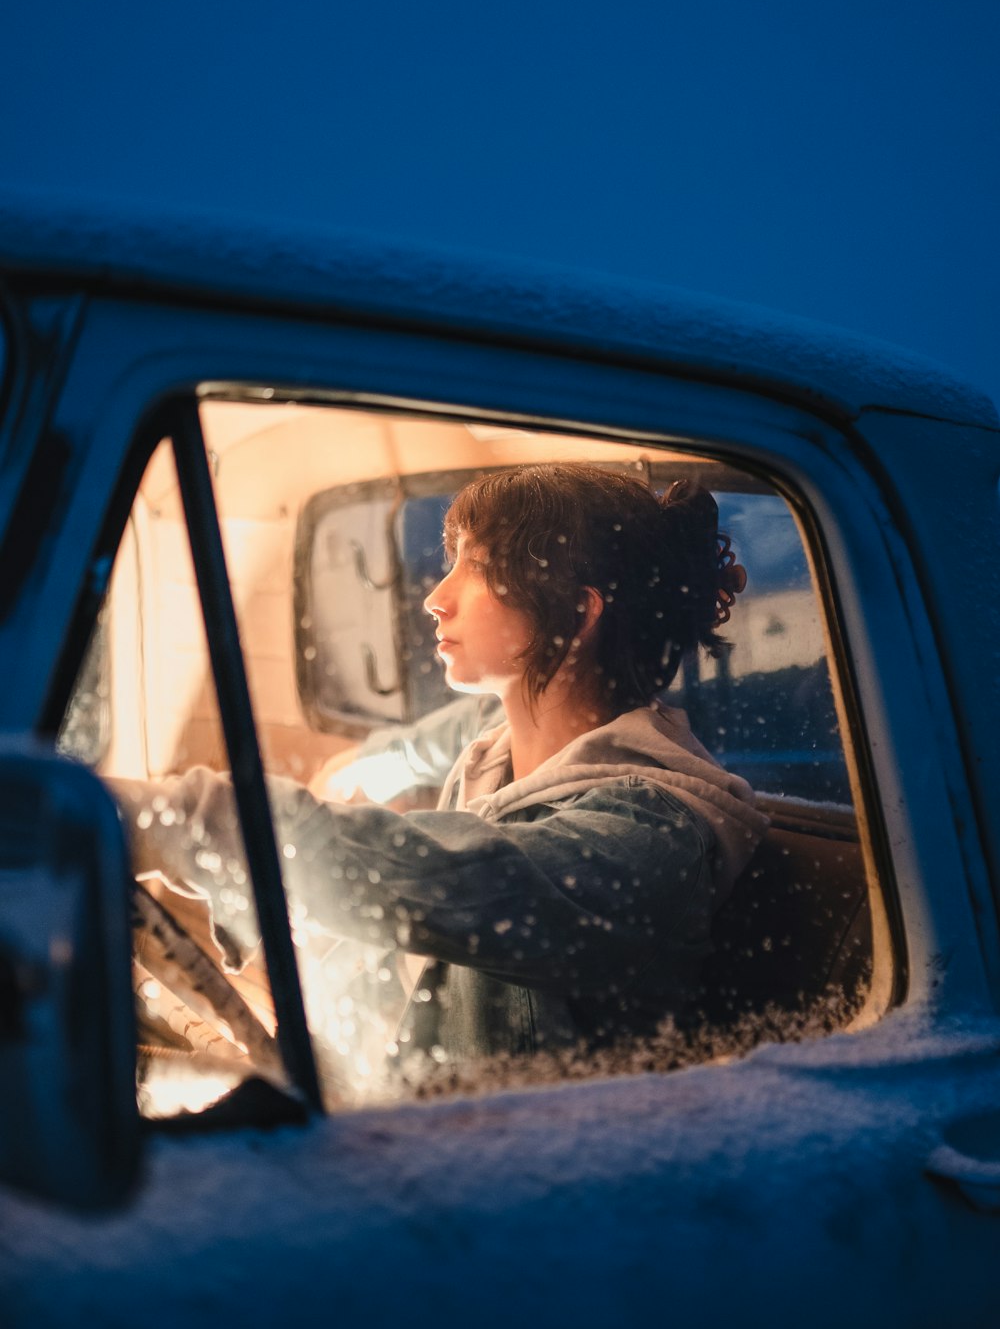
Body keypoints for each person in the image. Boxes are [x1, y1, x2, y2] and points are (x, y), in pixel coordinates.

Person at [123, 465, 768, 1089]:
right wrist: (362, 770)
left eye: (479, 568)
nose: (436, 598)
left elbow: (452, 874)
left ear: (576, 614)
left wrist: (170, 820)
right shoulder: (497, 758)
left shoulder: (641, 840)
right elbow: (446, 741)